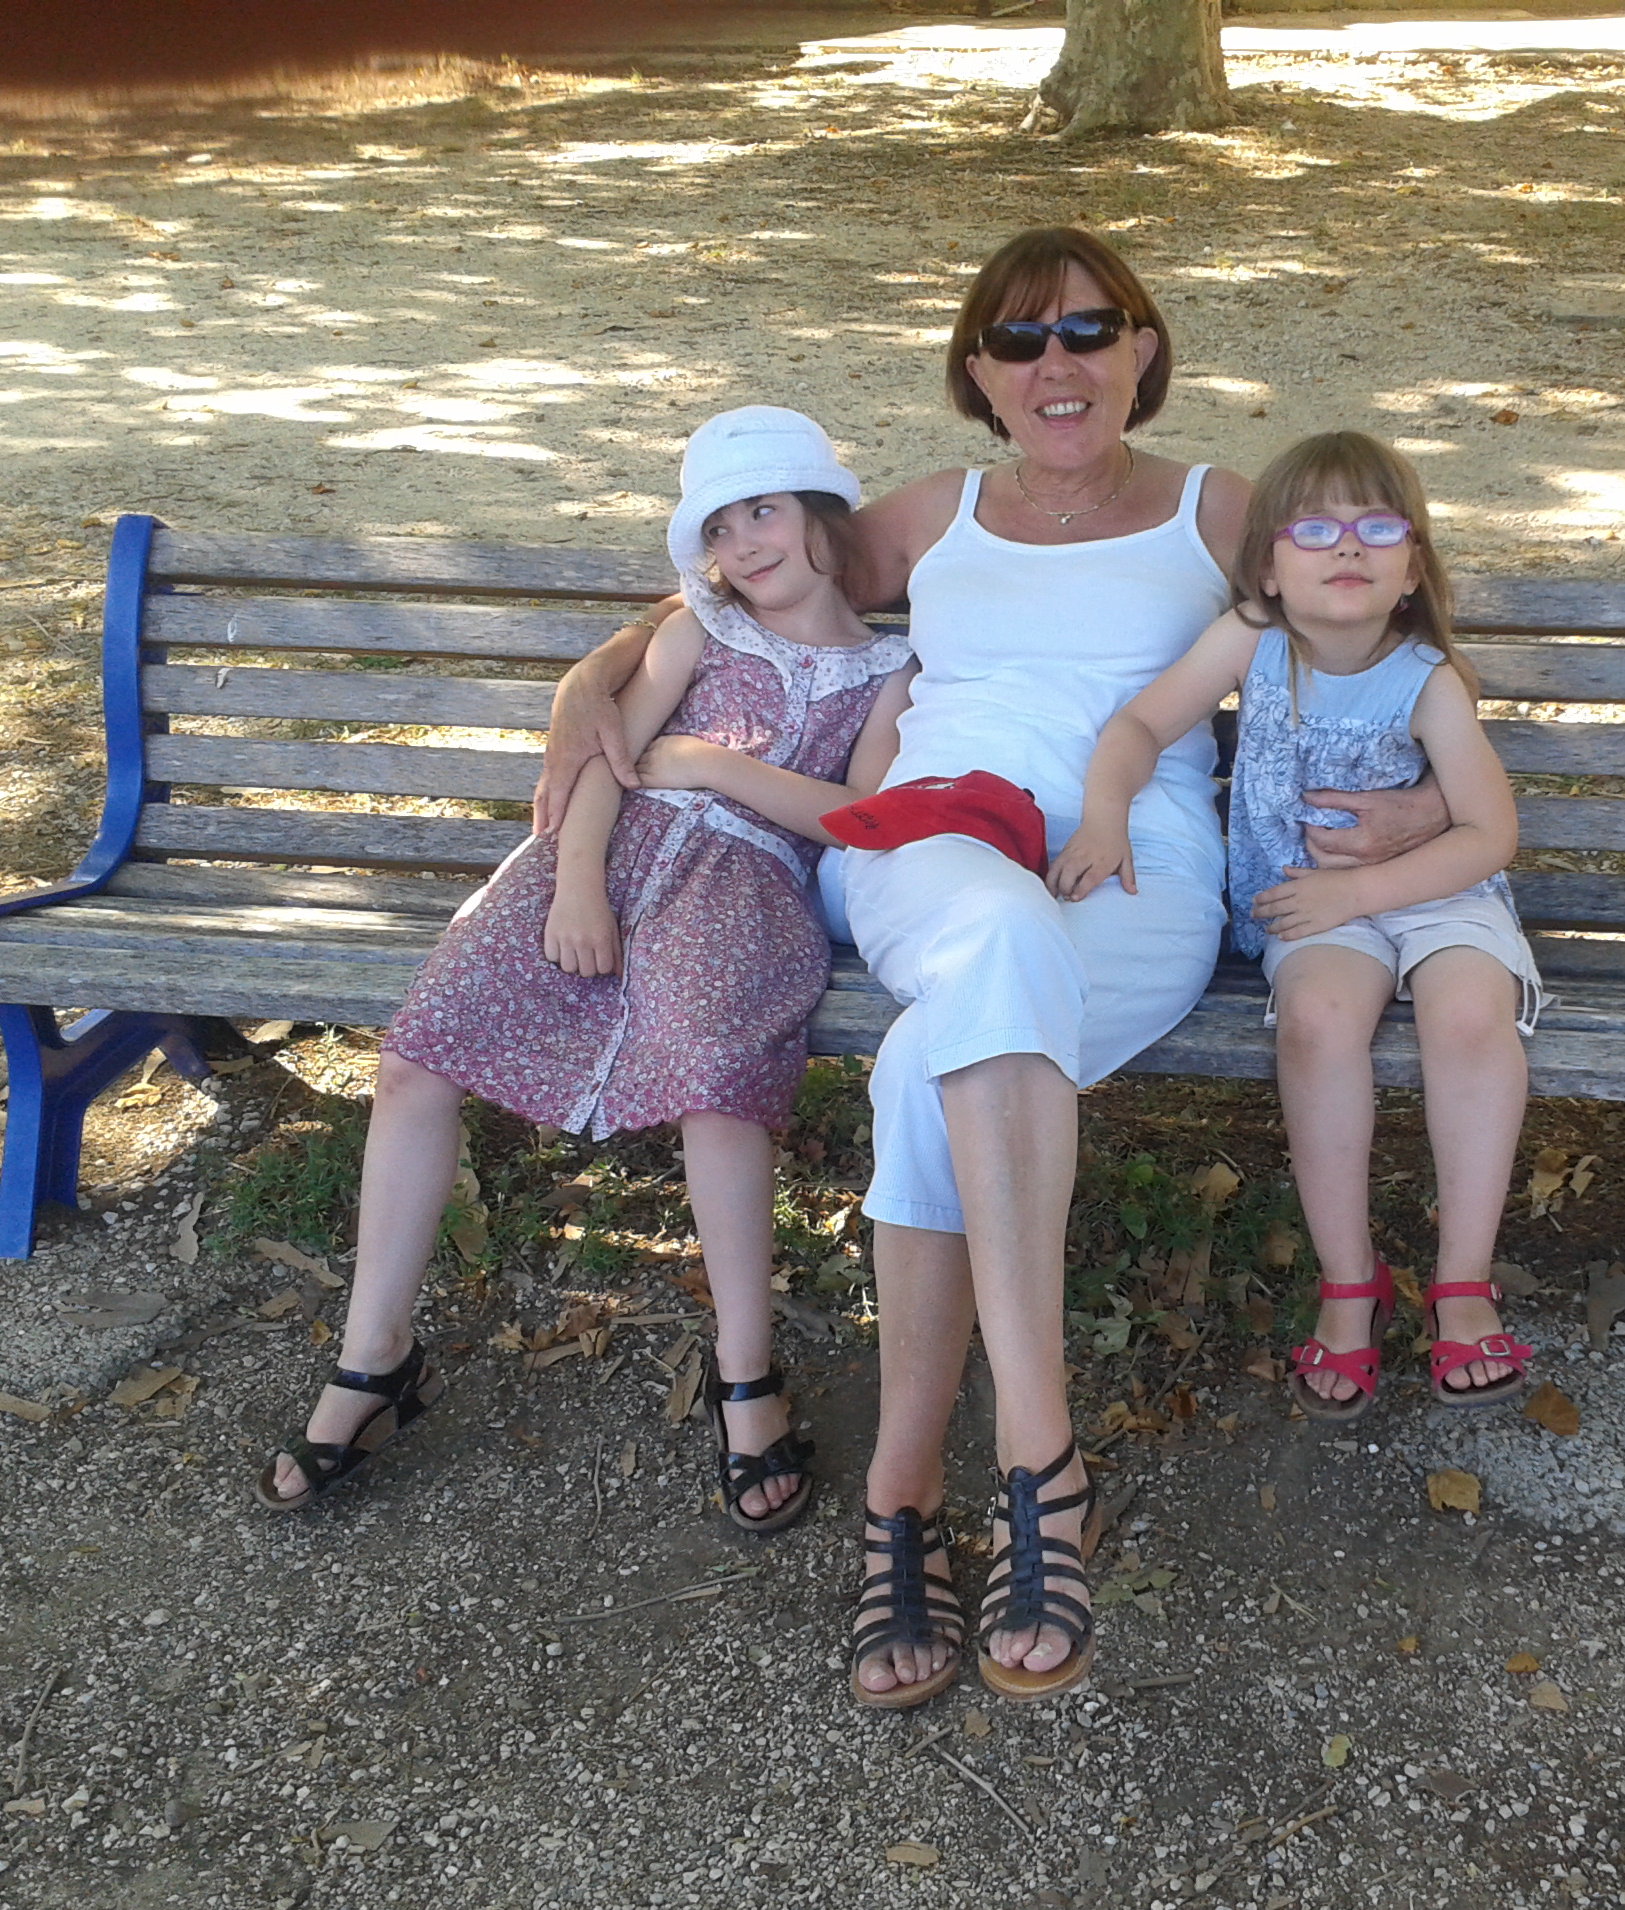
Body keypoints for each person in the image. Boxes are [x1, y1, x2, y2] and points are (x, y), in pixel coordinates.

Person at [534, 230, 1454, 1709]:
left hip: (1139, 865)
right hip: (926, 840)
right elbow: (742, 577)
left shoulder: (1220, 510)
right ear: (979, 371)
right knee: (1000, 945)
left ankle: (901, 1489)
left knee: (932, 1061)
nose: (1057, 365)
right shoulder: (935, 514)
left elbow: (1391, 606)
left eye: (1089, 331)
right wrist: (598, 675)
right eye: (1020, 341)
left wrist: (1430, 801)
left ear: (1143, 350)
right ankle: (1042, 1459)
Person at [258, 407, 915, 1534]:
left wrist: (714, 766)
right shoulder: (696, 631)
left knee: (720, 1085)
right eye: (719, 528)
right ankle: (375, 1355)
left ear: (821, 515)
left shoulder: (890, 670)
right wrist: (573, 882)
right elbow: (609, 759)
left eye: (763, 511)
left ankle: (745, 1375)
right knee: (420, 1051)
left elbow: (858, 814)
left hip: (745, 889)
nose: (743, 543)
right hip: (596, 858)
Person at [1051, 431, 1538, 1422]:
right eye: (1313, 528)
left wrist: (1364, 893)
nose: (1346, 546)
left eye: (1376, 528)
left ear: (1412, 569)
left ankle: (1462, 1282)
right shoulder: (1252, 639)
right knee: (1316, 1019)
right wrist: (1104, 815)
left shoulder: (1428, 678)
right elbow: (1139, 724)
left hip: (1435, 892)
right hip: (1310, 904)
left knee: (1467, 1013)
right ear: (1269, 567)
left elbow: (1489, 835)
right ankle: (1349, 1282)